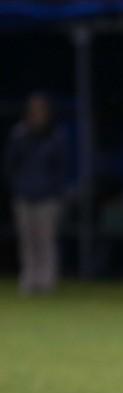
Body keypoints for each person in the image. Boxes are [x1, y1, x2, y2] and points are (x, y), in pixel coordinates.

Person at [3, 92, 68, 295]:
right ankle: (29, 280)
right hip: (24, 195)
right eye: (33, 109)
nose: (37, 113)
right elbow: (10, 164)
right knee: (26, 241)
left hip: (47, 197)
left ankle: (46, 281)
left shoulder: (55, 136)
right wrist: (17, 187)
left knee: (46, 240)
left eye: (41, 109)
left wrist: (56, 191)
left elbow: (60, 168)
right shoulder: (19, 134)